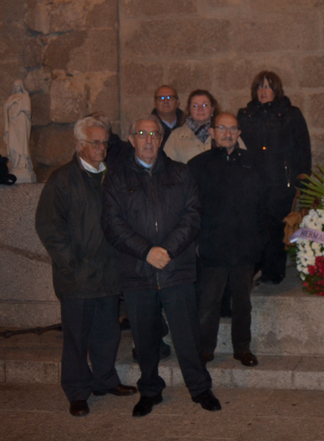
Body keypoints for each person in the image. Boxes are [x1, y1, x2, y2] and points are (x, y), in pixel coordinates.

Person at [101, 115, 221, 416]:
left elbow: (193, 215)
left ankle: (200, 388)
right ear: (132, 139)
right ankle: (150, 390)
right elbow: (112, 224)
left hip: (175, 266)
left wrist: (166, 249)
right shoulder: (116, 178)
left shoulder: (181, 173)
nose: (149, 139)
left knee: (187, 334)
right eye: (141, 134)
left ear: (161, 138)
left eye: (154, 134)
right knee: (144, 338)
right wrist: (146, 252)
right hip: (137, 270)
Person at [35, 116, 137, 417]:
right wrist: (71, 263)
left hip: (108, 273)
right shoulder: (62, 179)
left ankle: (105, 380)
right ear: (80, 145)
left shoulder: (112, 176)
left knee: (107, 333)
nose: (102, 148)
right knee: (77, 337)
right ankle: (78, 391)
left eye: (105, 142)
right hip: (78, 275)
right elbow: (49, 226)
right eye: (96, 143)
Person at [188, 112, 268, 368]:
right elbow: (190, 208)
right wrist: (197, 242)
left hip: (244, 247)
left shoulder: (253, 162)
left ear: (239, 133)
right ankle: (204, 349)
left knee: (242, 303)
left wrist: (259, 242)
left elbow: (263, 205)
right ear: (211, 132)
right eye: (221, 127)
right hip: (212, 247)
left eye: (232, 128)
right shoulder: (197, 165)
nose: (227, 133)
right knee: (208, 302)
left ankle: (242, 348)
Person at [237, 71, 311, 285]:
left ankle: (273, 274)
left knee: (277, 230)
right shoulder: (245, 115)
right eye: (260, 87)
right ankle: (255, 270)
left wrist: (302, 180)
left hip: (281, 184)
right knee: (256, 229)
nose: (263, 91)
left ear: (277, 90)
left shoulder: (291, 114)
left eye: (268, 87)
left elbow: (302, 149)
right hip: (253, 184)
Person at [163, 89, 217, 164]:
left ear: (212, 109)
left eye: (205, 105)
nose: (200, 109)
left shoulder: (226, 132)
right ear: (189, 110)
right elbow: (167, 166)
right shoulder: (176, 137)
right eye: (195, 106)